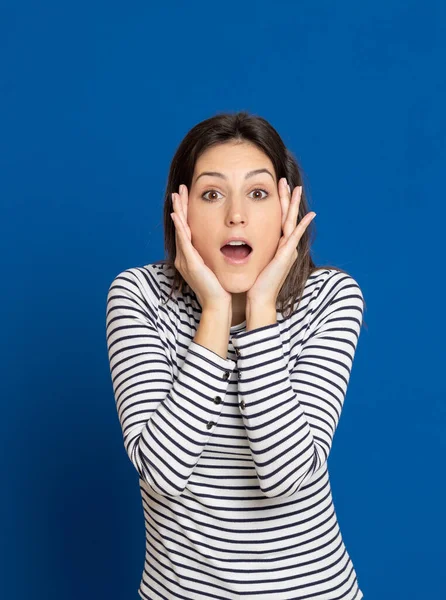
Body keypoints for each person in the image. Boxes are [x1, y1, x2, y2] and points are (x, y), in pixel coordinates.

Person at [105, 111, 366, 599]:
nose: (236, 215)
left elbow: (286, 477)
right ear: (179, 211)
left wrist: (262, 308)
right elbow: (162, 473)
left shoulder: (331, 298)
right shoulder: (138, 296)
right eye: (211, 193)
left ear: (288, 207)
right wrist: (216, 312)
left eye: (258, 192)